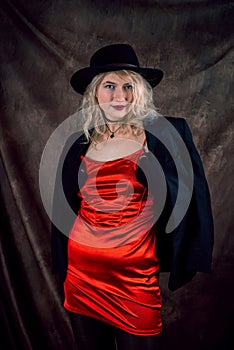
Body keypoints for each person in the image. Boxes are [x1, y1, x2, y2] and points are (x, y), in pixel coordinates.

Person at [51, 44, 214, 350]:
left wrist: (152, 166)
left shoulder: (166, 134)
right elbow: (68, 204)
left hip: (134, 282)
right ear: (94, 92)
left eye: (128, 86)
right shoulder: (79, 141)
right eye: (109, 86)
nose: (120, 96)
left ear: (139, 91)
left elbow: (193, 197)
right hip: (81, 280)